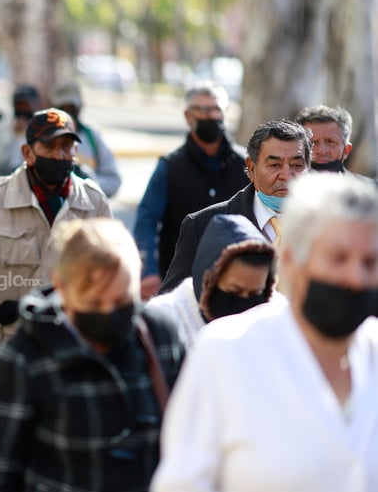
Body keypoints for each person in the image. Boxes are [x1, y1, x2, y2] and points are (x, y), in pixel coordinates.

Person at [150, 172, 378, 492]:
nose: (355, 277)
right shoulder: (227, 352)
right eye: (337, 258)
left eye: (370, 263)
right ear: (290, 262)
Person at [0, 218, 185, 492]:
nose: (109, 312)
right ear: (61, 288)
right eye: (94, 303)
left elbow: (193, 444)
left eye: (121, 300)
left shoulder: (161, 335)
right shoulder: (28, 356)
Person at [0, 108, 113, 368]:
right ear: (27, 153)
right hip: (9, 354)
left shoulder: (93, 202)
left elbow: (109, 278)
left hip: (75, 351)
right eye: (50, 147)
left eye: (67, 147)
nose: (60, 155)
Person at [160, 118, 311, 293]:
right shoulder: (202, 226)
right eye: (274, 165)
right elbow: (173, 303)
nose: (286, 175)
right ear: (251, 168)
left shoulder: (327, 226)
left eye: (297, 165)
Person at [133, 82, 247, 299]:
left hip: (236, 280)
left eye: (217, 109)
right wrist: (148, 272)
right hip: (179, 281)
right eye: (204, 110)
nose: (211, 116)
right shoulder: (170, 167)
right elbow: (146, 222)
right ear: (188, 116)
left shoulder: (246, 165)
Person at [145, 214, 279, 348]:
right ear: (209, 280)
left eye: (254, 293)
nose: (244, 301)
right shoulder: (162, 320)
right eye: (234, 290)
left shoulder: (276, 315)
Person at [49, 79, 122, 197]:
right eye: (63, 109)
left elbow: (113, 181)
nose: (67, 115)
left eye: (71, 108)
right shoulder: (43, 140)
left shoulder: (92, 137)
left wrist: (88, 182)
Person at [294, 104, 374, 182]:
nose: (322, 151)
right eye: (312, 143)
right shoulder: (286, 190)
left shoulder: (368, 190)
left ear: (346, 150)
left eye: (330, 142)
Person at [0, 84, 41, 176]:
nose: (22, 109)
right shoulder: (1, 127)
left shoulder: (44, 127)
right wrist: (11, 137)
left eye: (26, 105)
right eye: (18, 104)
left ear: (35, 104)